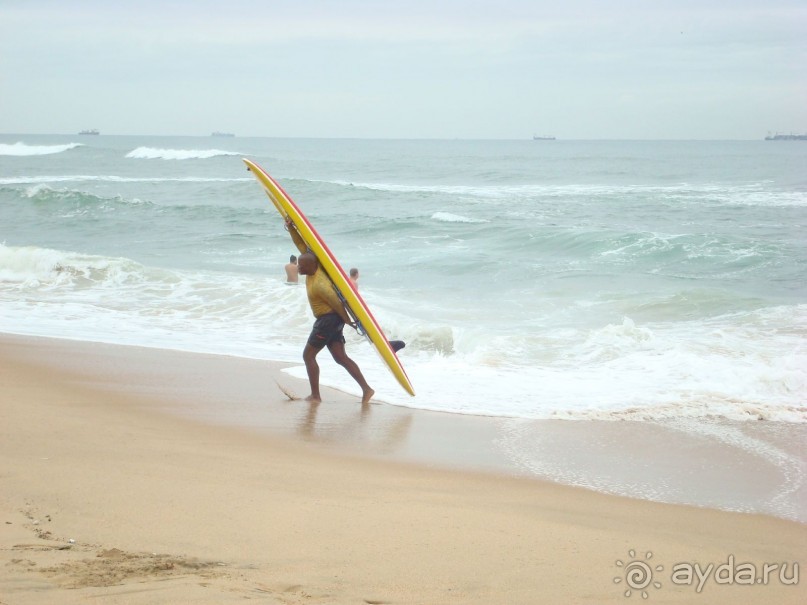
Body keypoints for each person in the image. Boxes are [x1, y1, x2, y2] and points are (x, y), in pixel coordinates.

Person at [285, 219, 374, 404]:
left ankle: (315, 396)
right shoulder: (313, 267)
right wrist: (291, 228)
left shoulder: (321, 284)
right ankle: (367, 389)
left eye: (301, 266)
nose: (298, 267)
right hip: (332, 321)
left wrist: (348, 321)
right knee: (340, 358)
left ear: (311, 266)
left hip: (328, 320)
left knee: (308, 356)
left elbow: (337, 303)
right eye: (299, 265)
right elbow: (301, 245)